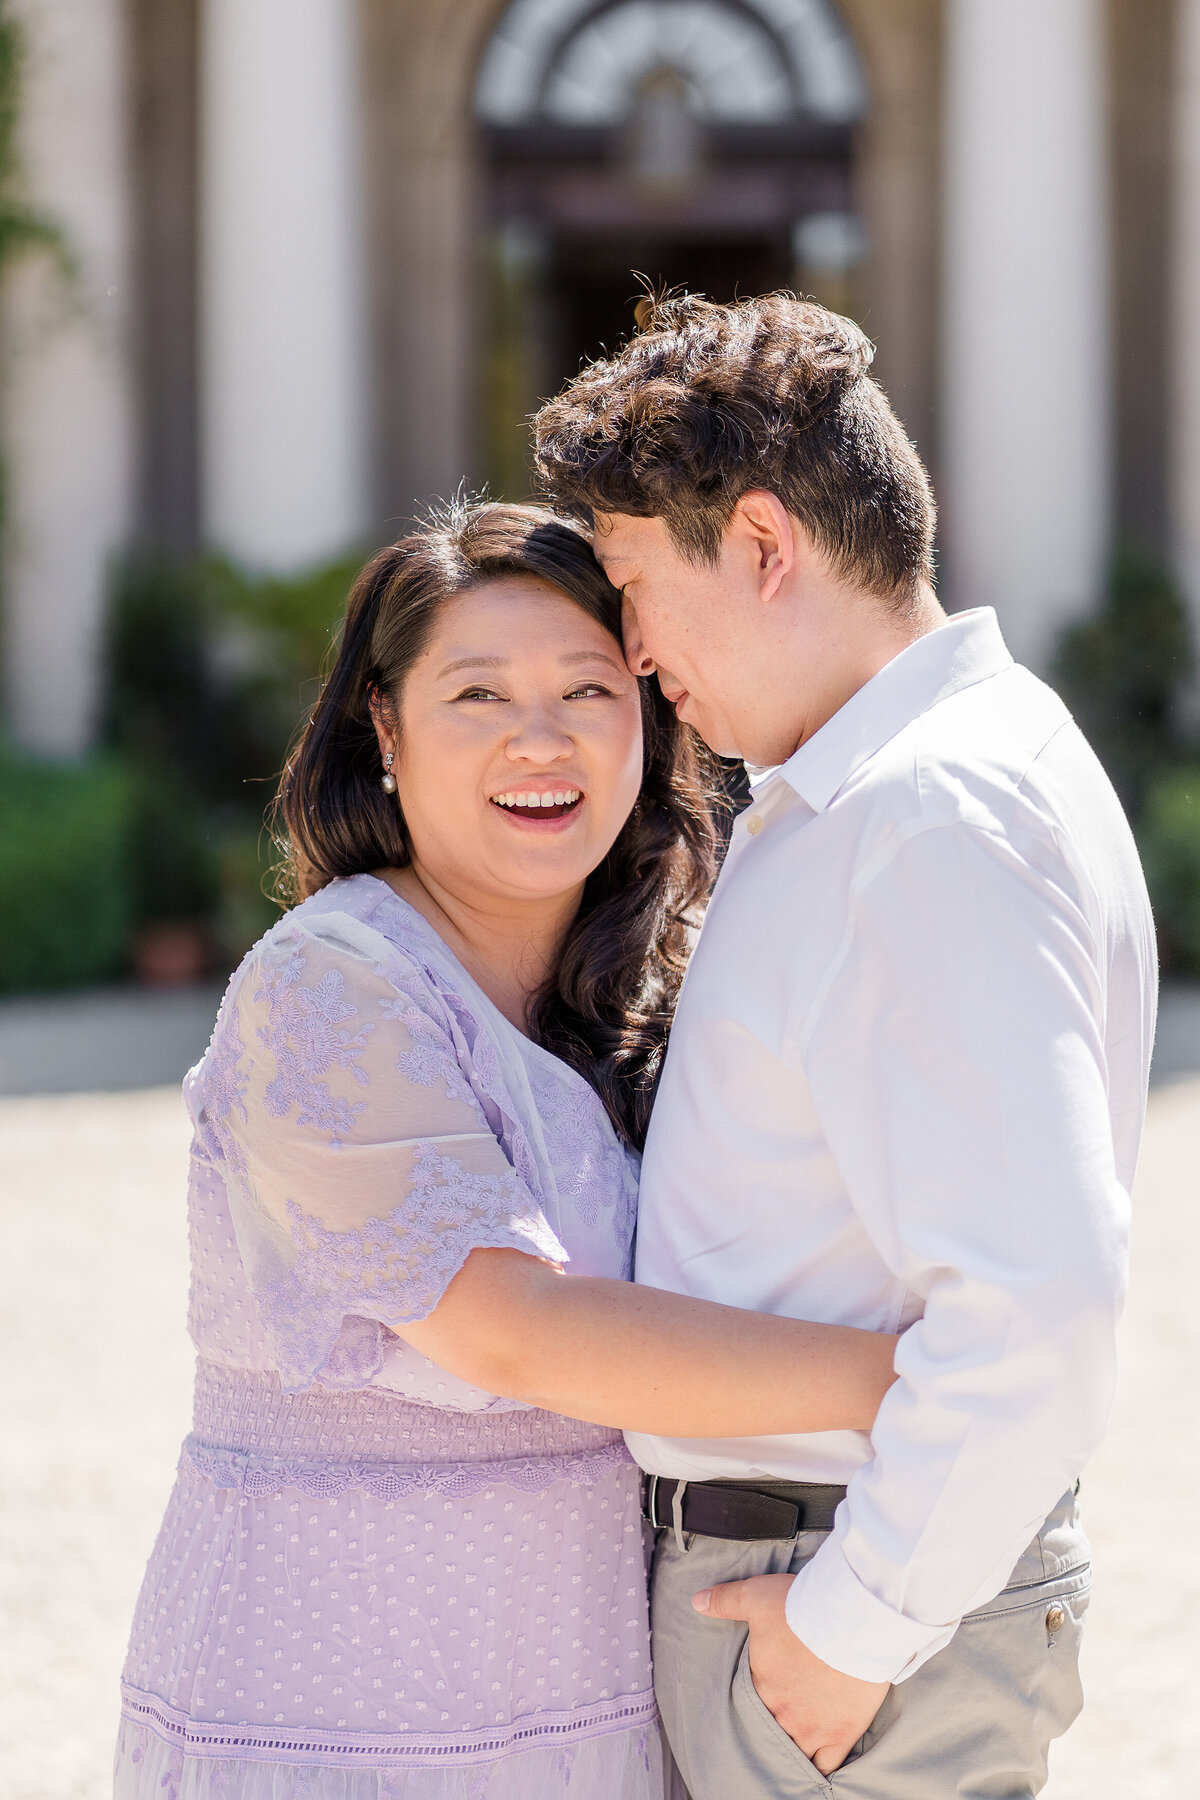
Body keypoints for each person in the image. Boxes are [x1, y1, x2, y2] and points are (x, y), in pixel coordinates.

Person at [113, 502, 897, 1800]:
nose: (543, 738)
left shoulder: (661, 987)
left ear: (651, 714)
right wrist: (917, 1384)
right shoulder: (329, 990)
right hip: (334, 1715)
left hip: (583, 1702)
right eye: (477, 693)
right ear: (385, 728)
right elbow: (515, 1331)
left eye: (590, 687)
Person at [530, 293, 1158, 1799]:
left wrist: (854, 1629)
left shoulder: (924, 814)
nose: (626, 646)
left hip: (834, 1606)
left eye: (630, 584)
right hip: (818, 1581)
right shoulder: (894, 782)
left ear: (759, 544)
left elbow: (1041, 1303)